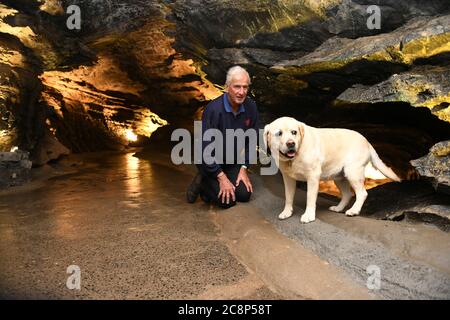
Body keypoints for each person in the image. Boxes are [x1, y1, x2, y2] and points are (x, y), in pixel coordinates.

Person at [186, 66, 260, 208]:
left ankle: (213, 179)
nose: (241, 92)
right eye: (237, 87)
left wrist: (244, 168)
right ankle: (203, 182)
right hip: (209, 161)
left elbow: (252, 139)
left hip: (232, 160)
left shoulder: (251, 107)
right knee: (227, 201)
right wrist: (221, 177)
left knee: (244, 195)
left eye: (245, 87)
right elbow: (205, 151)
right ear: (227, 87)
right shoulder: (213, 110)